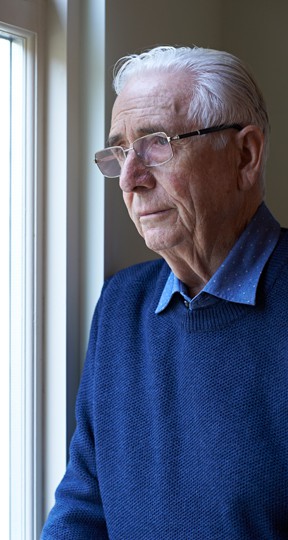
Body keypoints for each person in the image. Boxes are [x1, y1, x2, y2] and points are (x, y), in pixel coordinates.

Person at [41, 46, 288, 539]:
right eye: (119, 152)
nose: (131, 179)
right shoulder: (121, 305)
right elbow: (84, 501)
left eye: (156, 143)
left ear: (246, 155)